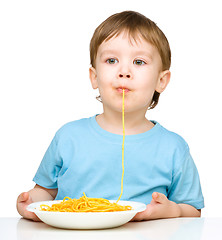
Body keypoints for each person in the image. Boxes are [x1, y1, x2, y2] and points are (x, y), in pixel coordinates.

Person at [16, 10, 204, 221]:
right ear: (94, 77)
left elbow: (193, 211)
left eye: (139, 62)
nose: (124, 71)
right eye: (112, 60)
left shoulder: (173, 147)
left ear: (162, 80)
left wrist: (172, 210)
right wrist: (31, 202)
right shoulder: (68, 137)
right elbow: (46, 192)